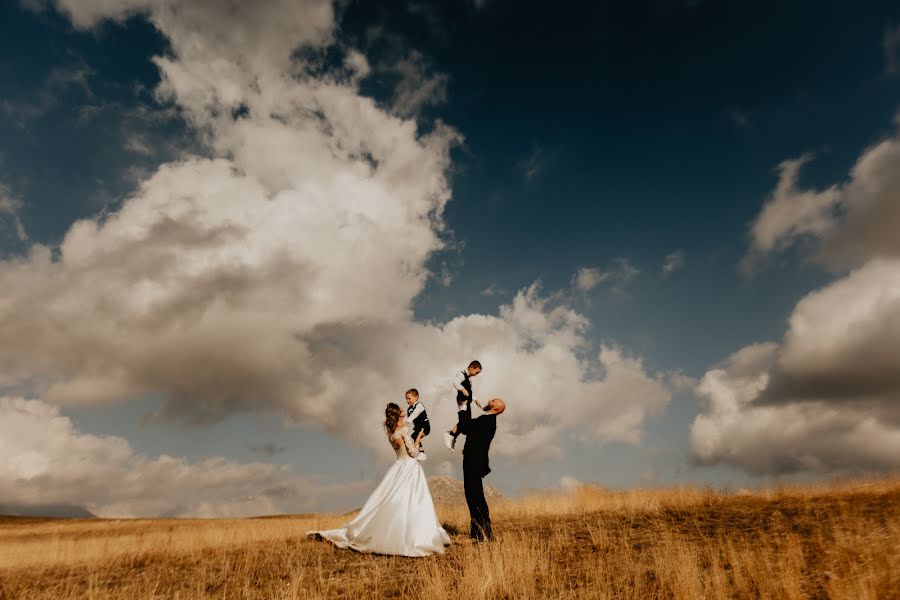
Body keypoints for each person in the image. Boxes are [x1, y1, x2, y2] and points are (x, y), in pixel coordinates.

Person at [308, 403, 450, 557]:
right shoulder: (402, 431)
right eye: (402, 413)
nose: (404, 415)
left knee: (397, 502)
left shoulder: (392, 433)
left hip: (398, 467)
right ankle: (416, 538)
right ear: (398, 416)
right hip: (409, 468)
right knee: (415, 502)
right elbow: (413, 453)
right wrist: (419, 439)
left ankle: (402, 534)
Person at [457, 397, 505, 542]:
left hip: (474, 462)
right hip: (473, 462)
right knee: (472, 496)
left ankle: (485, 533)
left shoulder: (487, 421)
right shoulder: (486, 420)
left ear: (495, 408)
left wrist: (463, 407)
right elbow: (470, 425)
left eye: (493, 401)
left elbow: (465, 427)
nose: (489, 400)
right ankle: (477, 532)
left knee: (475, 496)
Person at [443, 360, 484, 452]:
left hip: (467, 403)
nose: (476, 375)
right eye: (476, 372)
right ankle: (450, 434)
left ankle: (452, 436)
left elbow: (470, 392)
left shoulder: (469, 379)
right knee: (464, 423)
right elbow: (456, 382)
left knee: (466, 426)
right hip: (462, 402)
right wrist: (462, 389)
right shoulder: (461, 374)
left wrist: (476, 399)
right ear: (471, 367)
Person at [405, 388, 430, 462]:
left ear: (416, 397)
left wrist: (406, 423)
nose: (407, 401)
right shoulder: (409, 409)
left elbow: (414, 415)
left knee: (416, 435)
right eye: (406, 399)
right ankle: (420, 452)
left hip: (425, 426)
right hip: (418, 428)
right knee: (413, 436)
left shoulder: (419, 405)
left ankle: (422, 453)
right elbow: (407, 417)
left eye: (409, 398)